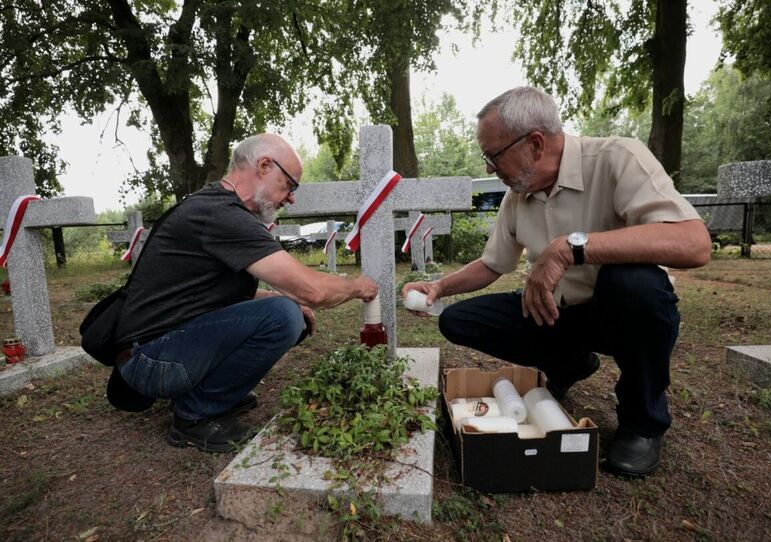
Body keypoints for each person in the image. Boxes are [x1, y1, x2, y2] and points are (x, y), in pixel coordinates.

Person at [402, 87, 711, 477]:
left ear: (534, 143)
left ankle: (643, 422)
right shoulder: (518, 196)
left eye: (493, 155)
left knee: (634, 282)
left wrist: (572, 247)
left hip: (622, 312)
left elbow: (694, 243)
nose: (488, 168)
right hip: (557, 312)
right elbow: (492, 263)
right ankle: (570, 362)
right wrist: (438, 288)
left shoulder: (617, 158)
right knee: (459, 320)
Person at [113, 134, 378, 453]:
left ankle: (213, 392)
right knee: (283, 317)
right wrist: (357, 287)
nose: (291, 198)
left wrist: (287, 299)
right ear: (265, 165)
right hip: (152, 361)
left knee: (285, 308)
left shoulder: (214, 206)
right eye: (290, 185)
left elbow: (215, 297)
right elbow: (313, 291)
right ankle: (194, 414)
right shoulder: (223, 216)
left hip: (155, 352)